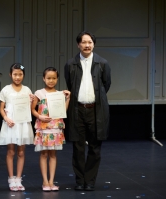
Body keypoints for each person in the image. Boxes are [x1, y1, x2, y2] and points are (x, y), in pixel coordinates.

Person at [64, 31, 111, 191]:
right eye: (84, 42)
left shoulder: (102, 63)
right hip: (77, 109)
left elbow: (106, 85)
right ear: (78, 44)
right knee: (77, 147)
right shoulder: (71, 64)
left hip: (96, 110)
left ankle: (90, 181)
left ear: (94, 44)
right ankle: (79, 180)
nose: (87, 45)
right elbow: (70, 85)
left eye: (90, 42)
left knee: (95, 147)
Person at [31, 67, 70, 191]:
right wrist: (40, 116)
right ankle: (45, 181)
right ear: (43, 78)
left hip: (55, 127)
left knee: (53, 154)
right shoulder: (39, 93)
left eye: (54, 78)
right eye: (48, 78)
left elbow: (63, 111)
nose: (51, 81)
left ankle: (52, 181)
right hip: (44, 127)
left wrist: (67, 98)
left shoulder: (59, 94)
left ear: (57, 79)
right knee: (44, 154)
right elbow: (32, 109)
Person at [0, 63, 34, 191]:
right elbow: (1, 108)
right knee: (11, 151)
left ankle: (19, 179)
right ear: (10, 74)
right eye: (15, 74)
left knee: (21, 152)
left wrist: (33, 100)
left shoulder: (27, 90)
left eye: (20, 74)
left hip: (23, 123)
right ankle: (11, 178)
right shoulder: (6, 90)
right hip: (11, 123)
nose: (17, 77)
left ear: (23, 75)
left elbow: (30, 109)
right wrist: (6, 118)